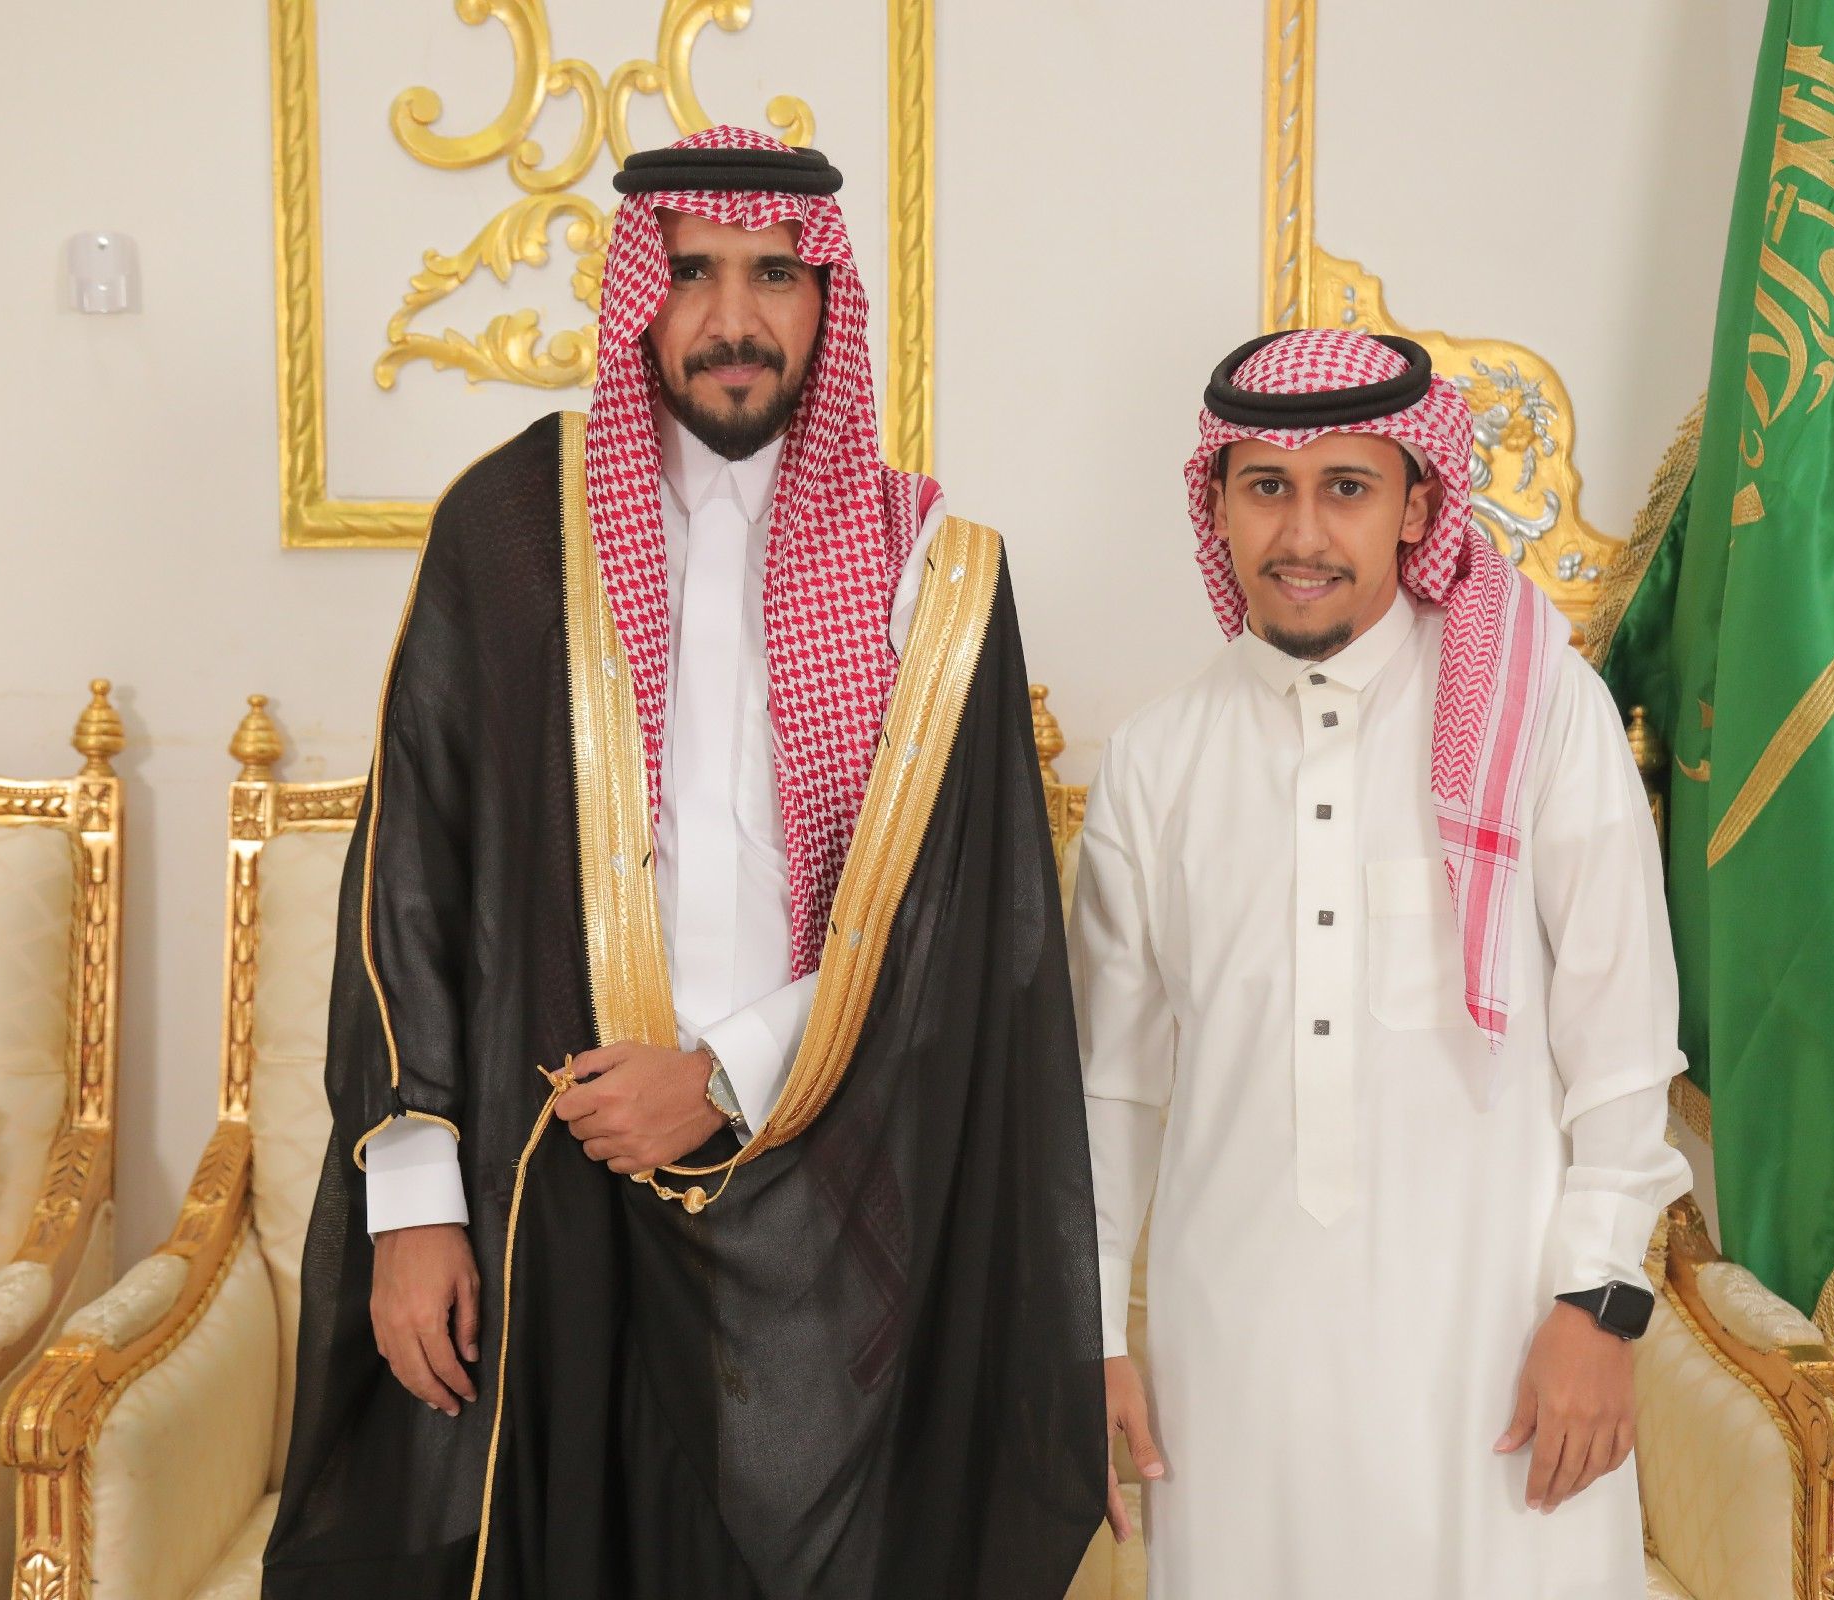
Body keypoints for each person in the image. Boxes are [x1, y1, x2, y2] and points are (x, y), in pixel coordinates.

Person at [264, 126, 1102, 1600]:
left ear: (826, 297)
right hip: (552, 1191)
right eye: (695, 272)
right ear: (636, 295)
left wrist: (719, 1076)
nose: (732, 318)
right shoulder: (512, 532)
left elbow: (967, 930)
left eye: (774, 275)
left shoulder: (930, 571)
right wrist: (413, 1207)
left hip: (836, 1193)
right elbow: (413, 880)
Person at [1073, 327, 1694, 1597]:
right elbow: (1108, 1090)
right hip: (1236, 1381)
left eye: (1346, 488)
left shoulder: (1536, 713)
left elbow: (1622, 1037)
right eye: (1267, 487)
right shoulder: (1155, 762)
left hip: (1501, 1361)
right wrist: (1088, 1337)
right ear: (1218, 504)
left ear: (1417, 504)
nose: (1302, 532)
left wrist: (1601, 1301)